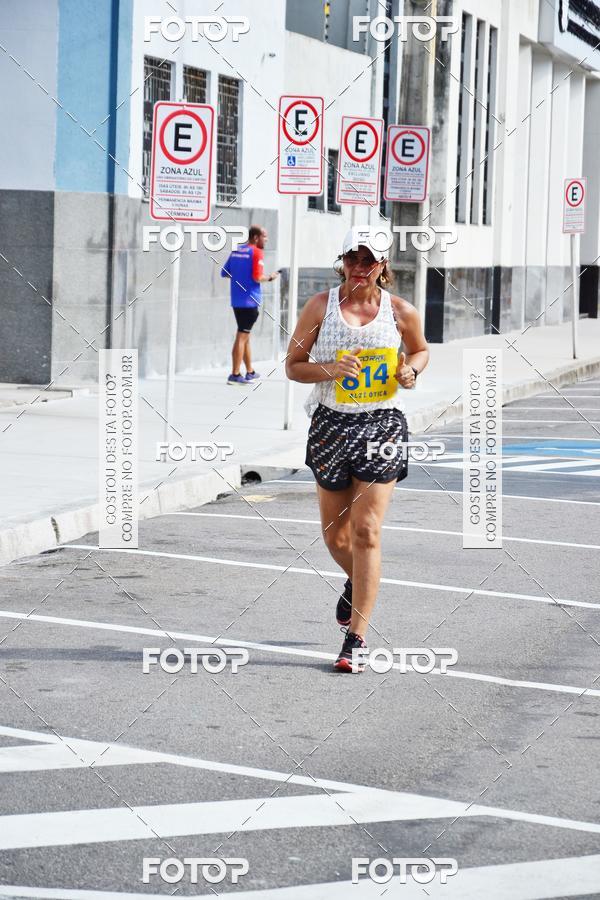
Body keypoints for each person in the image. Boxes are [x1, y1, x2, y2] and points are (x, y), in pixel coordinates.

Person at [285, 227, 429, 672]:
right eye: (353, 258)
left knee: (366, 532)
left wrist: (411, 372)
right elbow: (293, 366)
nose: (360, 267)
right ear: (342, 261)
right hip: (330, 425)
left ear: (384, 265)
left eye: (369, 259)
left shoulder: (400, 311)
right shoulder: (320, 306)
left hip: (381, 426)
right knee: (336, 536)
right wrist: (329, 369)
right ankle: (356, 581)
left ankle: (356, 639)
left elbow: (421, 351)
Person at [221, 225, 280, 385]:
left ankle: (250, 371)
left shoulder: (237, 250)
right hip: (250, 301)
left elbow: (224, 272)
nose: (266, 239)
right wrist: (270, 277)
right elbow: (257, 277)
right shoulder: (256, 252)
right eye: (264, 236)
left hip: (237, 301)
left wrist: (240, 276)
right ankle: (234, 375)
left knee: (245, 336)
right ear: (255, 237)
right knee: (242, 337)